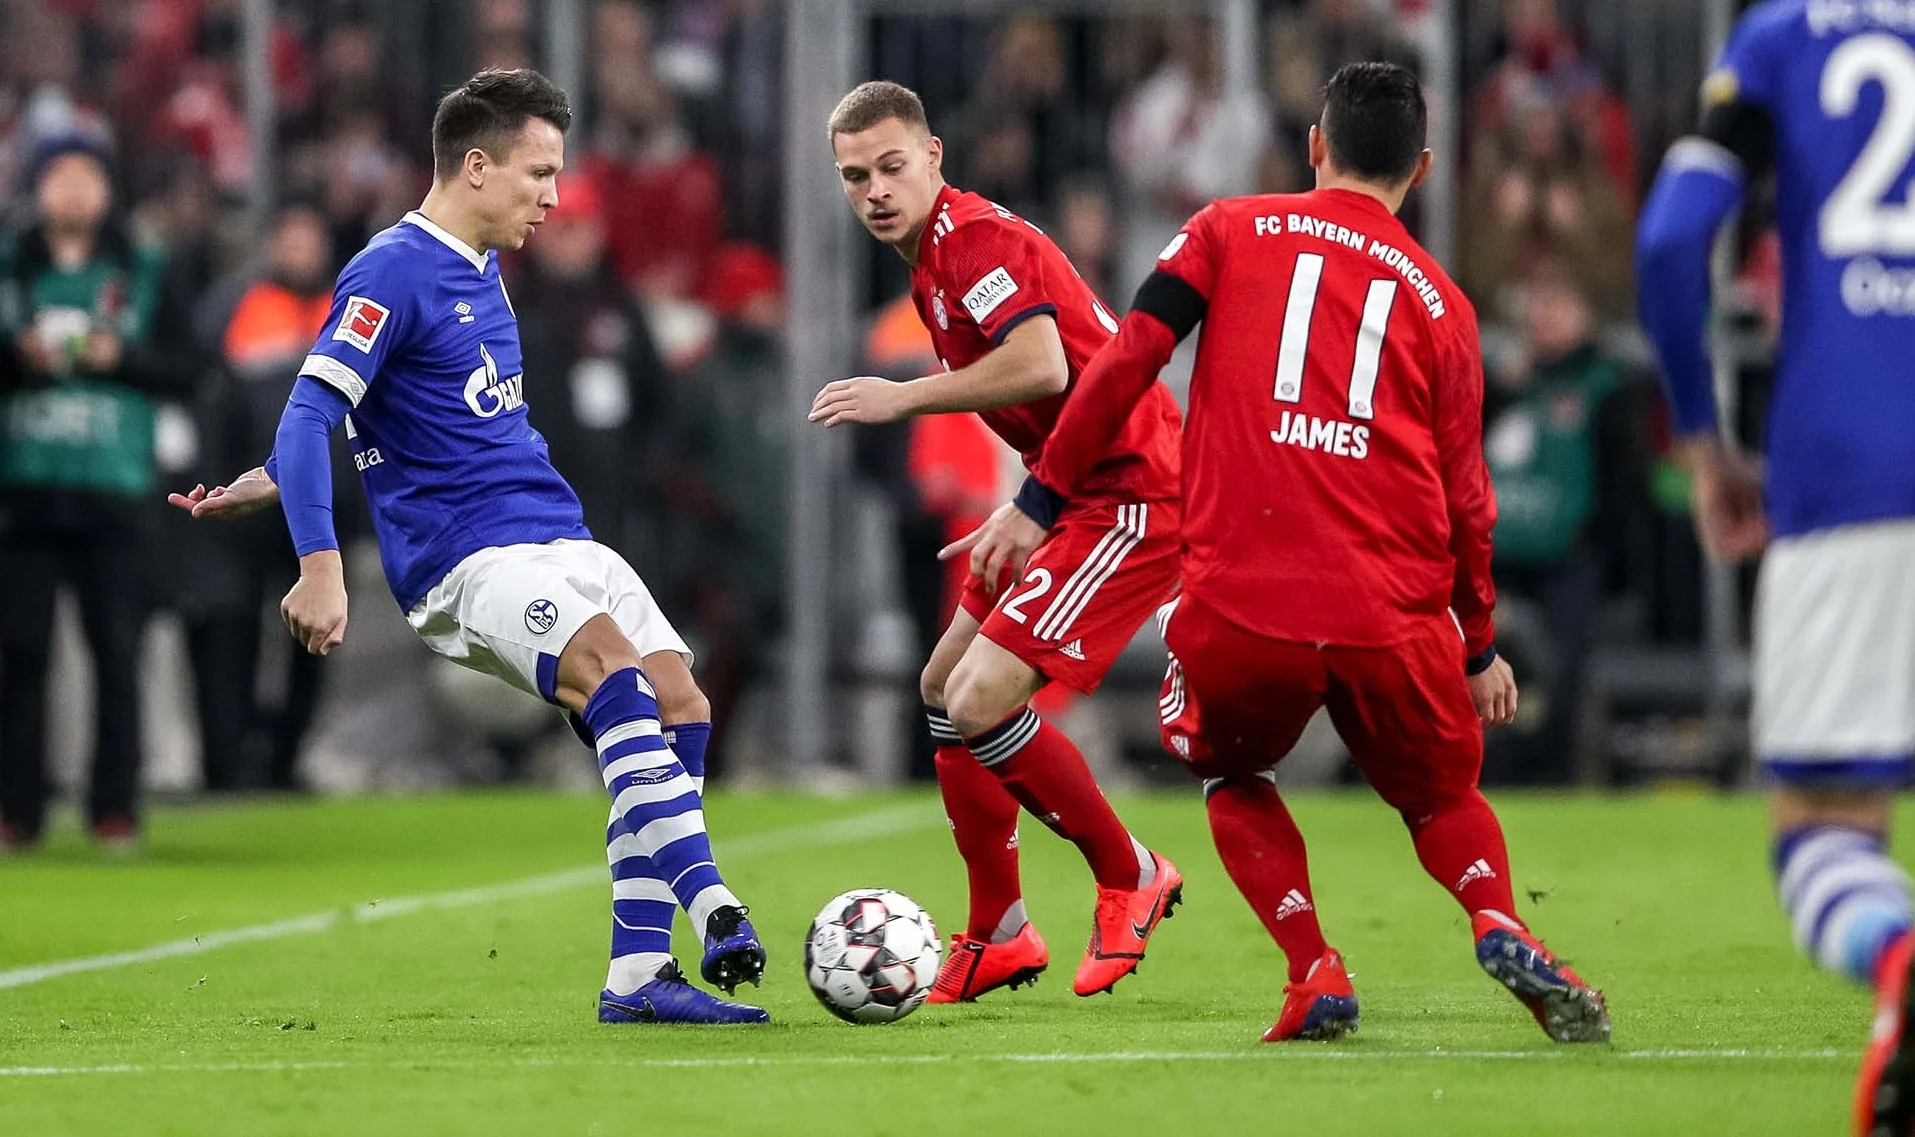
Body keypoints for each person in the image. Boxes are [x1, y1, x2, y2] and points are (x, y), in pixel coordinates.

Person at [1020, 61, 1609, 1045]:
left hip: (1242, 605)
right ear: (1421, 170)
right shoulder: (1444, 305)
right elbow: (1470, 500)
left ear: (1314, 145)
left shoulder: (1224, 229)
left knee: (1230, 772)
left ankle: (1313, 968)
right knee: (1439, 796)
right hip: (1391, 610)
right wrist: (1476, 646)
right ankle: (1495, 918)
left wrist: (1041, 497)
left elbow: (1128, 358)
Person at [168, 69, 767, 1026]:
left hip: (556, 530)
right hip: (465, 559)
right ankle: (715, 905)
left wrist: (272, 478)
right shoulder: (392, 268)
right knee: (608, 670)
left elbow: (392, 407)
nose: (553, 196)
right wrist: (319, 564)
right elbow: (310, 409)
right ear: (477, 167)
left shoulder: (483, 266)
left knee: (680, 700)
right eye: (540, 172)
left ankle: (638, 975)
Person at [811, 81, 1184, 1004]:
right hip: (1066, 489)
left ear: (933, 156)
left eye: (891, 167)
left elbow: (1041, 363)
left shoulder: (974, 240)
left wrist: (901, 397)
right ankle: (1001, 930)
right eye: (855, 176)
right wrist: (1027, 501)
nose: (874, 191)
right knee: (942, 685)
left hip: (1130, 488)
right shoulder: (931, 260)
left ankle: (1130, 871)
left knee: (979, 697)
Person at [1634, 4, 1915, 1129]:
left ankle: (1899, 960)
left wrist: (1703, 443)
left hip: (1852, 458)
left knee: (1824, 825)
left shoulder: (1784, 37)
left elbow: (1669, 243)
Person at [0, 134, 187, 850]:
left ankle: (115, 807)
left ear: (109, 189)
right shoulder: (10, 264)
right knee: (20, 655)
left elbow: (192, 367)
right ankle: (18, 809)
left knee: (116, 650)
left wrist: (121, 358)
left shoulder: (145, 266)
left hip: (116, 491)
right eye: (60, 175)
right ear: (38, 186)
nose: (75, 189)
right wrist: (18, 358)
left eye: (89, 175)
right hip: (25, 488)